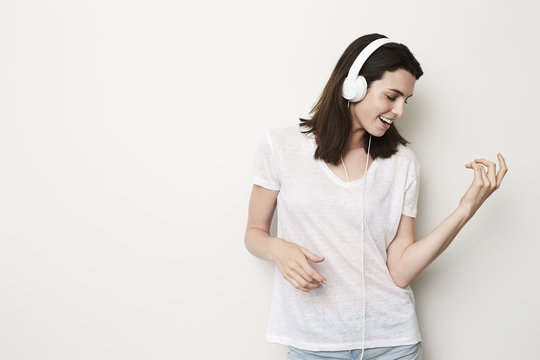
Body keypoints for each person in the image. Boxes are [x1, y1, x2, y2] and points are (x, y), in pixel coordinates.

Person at [244, 33, 507, 360]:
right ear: (352, 86)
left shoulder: (403, 164)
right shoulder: (280, 146)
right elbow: (254, 232)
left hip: (392, 342)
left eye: (405, 101)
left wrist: (465, 209)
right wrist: (276, 248)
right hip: (314, 344)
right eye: (391, 96)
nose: (399, 110)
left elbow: (399, 270)